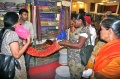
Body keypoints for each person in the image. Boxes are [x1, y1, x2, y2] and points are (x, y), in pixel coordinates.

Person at [58, 14, 90, 79]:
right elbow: (74, 41)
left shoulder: (84, 30)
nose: (73, 23)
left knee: (76, 75)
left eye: (75, 21)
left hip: (77, 59)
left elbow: (79, 45)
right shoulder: (78, 29)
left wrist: (65, 44)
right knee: (72, 74)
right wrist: (67, 41)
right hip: (72, 57)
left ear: (80, 21)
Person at [0, 12, 31, 79]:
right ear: (14, 23)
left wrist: (20, 44)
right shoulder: (12, 34)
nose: (19, 22)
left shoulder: (5, 31)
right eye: (18, 20)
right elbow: (16, 55)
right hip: (13, 65)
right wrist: (28, 43)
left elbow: (9, 46)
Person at [18, 8, 35, 78]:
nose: (26, 16)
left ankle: (27, 73)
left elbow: (32, 35)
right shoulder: (16, 24)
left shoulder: (29, 24)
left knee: (27, 61)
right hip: (18, 47)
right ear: (20, 15)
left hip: (28, 46)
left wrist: (28, 42)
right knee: (19, 61)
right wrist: (19, 43)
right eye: (24, 15)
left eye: (27, 15)